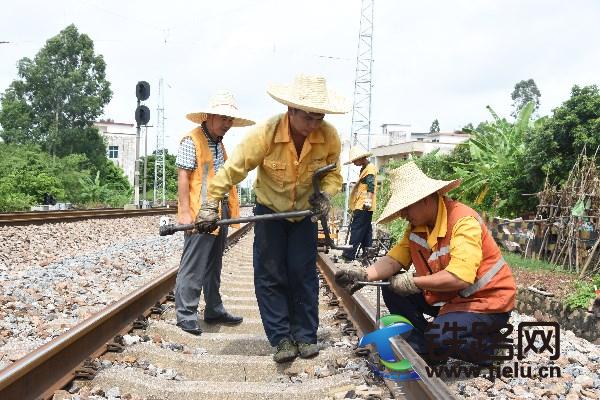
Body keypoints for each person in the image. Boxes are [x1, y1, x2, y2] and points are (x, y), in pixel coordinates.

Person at [196, 74, 349, 362]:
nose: (314, 124)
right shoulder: (266, 133)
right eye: (309, 117)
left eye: (320, 117)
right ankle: (281, 339)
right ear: (291, 110)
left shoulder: (329, 136)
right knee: (270, 274)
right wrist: (210, 204)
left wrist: (325, 197)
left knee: (302, 273)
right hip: (270, 210)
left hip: (304, 213)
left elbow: (333, 175)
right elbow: (233, 169)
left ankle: (305, 336)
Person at [335, 162, 516, 365]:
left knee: (440, 338)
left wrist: (415, 281)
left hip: (487, 303)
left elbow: (460, 277)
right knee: (392, 288)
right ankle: (424, 348)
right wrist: (364, 275)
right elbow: (394, 260)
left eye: (406, 208)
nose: (403, 215)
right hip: (451, 298)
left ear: (426, 199)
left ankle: (490, 348)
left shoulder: (463, 222)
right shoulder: (416, 227)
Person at [174, 90, 255, 336]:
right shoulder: (192, 140)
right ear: (209, 116)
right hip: (200, 216)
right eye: (223, 118)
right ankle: (185, 314)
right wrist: (186, 213)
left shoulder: (219, 145)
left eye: (230, 119)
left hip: (219, 214)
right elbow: (183, 177)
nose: (227, 124)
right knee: (194, 266)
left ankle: (213, 309)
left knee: (213, 265)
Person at [340, 147, 377, 261]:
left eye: (355, 161)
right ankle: (368, 253)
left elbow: (371, 186)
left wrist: (368, 201)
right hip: (363, 204)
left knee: (356, 229)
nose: (354, 163)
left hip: (363, 205)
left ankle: (349, 255)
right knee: (366, 230)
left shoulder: (370, 169)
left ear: (361, 158)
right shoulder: (365, 168)